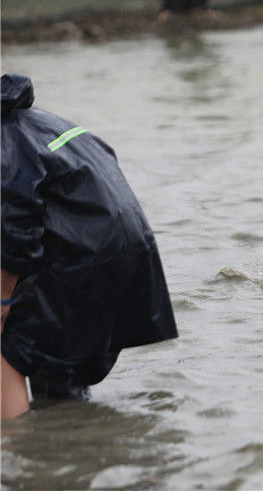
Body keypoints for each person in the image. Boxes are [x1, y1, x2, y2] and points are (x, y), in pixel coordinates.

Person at [1, 74, 178, 419]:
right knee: (56, 367)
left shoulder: (6, 139)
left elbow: (14, 227)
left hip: (85, 259)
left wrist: (3, 300)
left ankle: (17, 447)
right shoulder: (43, 123)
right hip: (131, 250)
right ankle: (76, 441)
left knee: (8, 353)